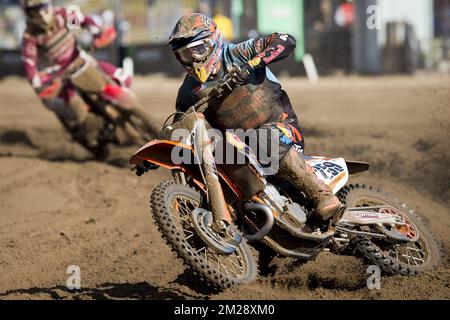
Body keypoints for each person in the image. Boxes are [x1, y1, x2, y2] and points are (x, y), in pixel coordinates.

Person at [168, 13, 345, 227]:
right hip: (240, 144)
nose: (194, 58)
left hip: (281, 127)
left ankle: (323, 195)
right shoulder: (188, 92)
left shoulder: (236, 54)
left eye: (198, 49)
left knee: (262, 140)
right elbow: (182, 124)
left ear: (213, 42)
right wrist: (158, 153)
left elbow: (285, 40)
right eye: (185, 54)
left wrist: (251, 65)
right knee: (207, 159)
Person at [20, 0, 139, 154]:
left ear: (48, 5)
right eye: (34, 11)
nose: (40, 14)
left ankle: (128, 106)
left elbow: (83, 21)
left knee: (123, 77)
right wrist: (39, 84)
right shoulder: (29, 37)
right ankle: (90, 133)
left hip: (83, 63)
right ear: (28, 13)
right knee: (78, 109)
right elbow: (30, 64)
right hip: (60, 79)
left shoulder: (62, 16)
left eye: (42, 8)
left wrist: (97, 32)